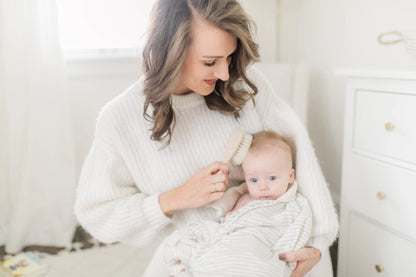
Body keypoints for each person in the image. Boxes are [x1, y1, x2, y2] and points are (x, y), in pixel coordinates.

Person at [74, 0, 338, 276]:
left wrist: (316, 245)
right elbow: (98, 212)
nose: (224, 73)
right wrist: (175, 198)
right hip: (195, 249)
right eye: (210, 62)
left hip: (276, 240)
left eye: (230, 57)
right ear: (169, 52)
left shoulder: (244, 86)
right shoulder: (120, 119)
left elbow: (302, 165)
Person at [164, 131, 313, 277]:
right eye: (254, 180)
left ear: (290, 176)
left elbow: (297, 233)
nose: (263, 186)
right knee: (179, 242)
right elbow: (225, 224)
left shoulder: (295, 205)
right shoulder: (242, 197)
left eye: (272, 178)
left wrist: (284, 262)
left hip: (258, 251)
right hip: (227, 241)